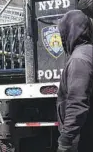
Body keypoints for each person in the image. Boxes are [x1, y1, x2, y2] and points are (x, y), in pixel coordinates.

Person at [56, 10, 93, 152]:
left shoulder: (79, 59)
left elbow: (77, 103)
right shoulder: (88, 53)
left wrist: (65, 141)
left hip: (83, 137)